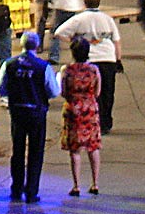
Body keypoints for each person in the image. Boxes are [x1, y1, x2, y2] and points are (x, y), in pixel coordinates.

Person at [0, 31, 60, 204]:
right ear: (37, 46)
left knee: (17, 151)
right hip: (37, 112)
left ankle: (16, 188)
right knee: (36, 152)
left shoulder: (10, 64)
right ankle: (32, 191)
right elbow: (53, 91)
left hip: (17, 111)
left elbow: (0, 88)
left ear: (22, 45)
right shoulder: (43, 66)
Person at [53, 0, 120, 134]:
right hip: (108, 58)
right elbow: (116, 40)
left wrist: (74, 41)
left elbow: (58, 32)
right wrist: (118, 59)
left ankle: (95, 121)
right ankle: (107, 122)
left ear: (84, 2)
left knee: (95, 93)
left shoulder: (79, 19)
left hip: (91, 59)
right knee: (108, 92)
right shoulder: (107, 19)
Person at [60, 36, 102, 197]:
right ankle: (95, 183)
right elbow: (97, 92)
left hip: (73, 110)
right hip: (90, 109)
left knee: (75, 150)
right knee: (93, 147)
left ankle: (76, 185)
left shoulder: (67, 70)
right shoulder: (94, 70)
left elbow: (63, 92)